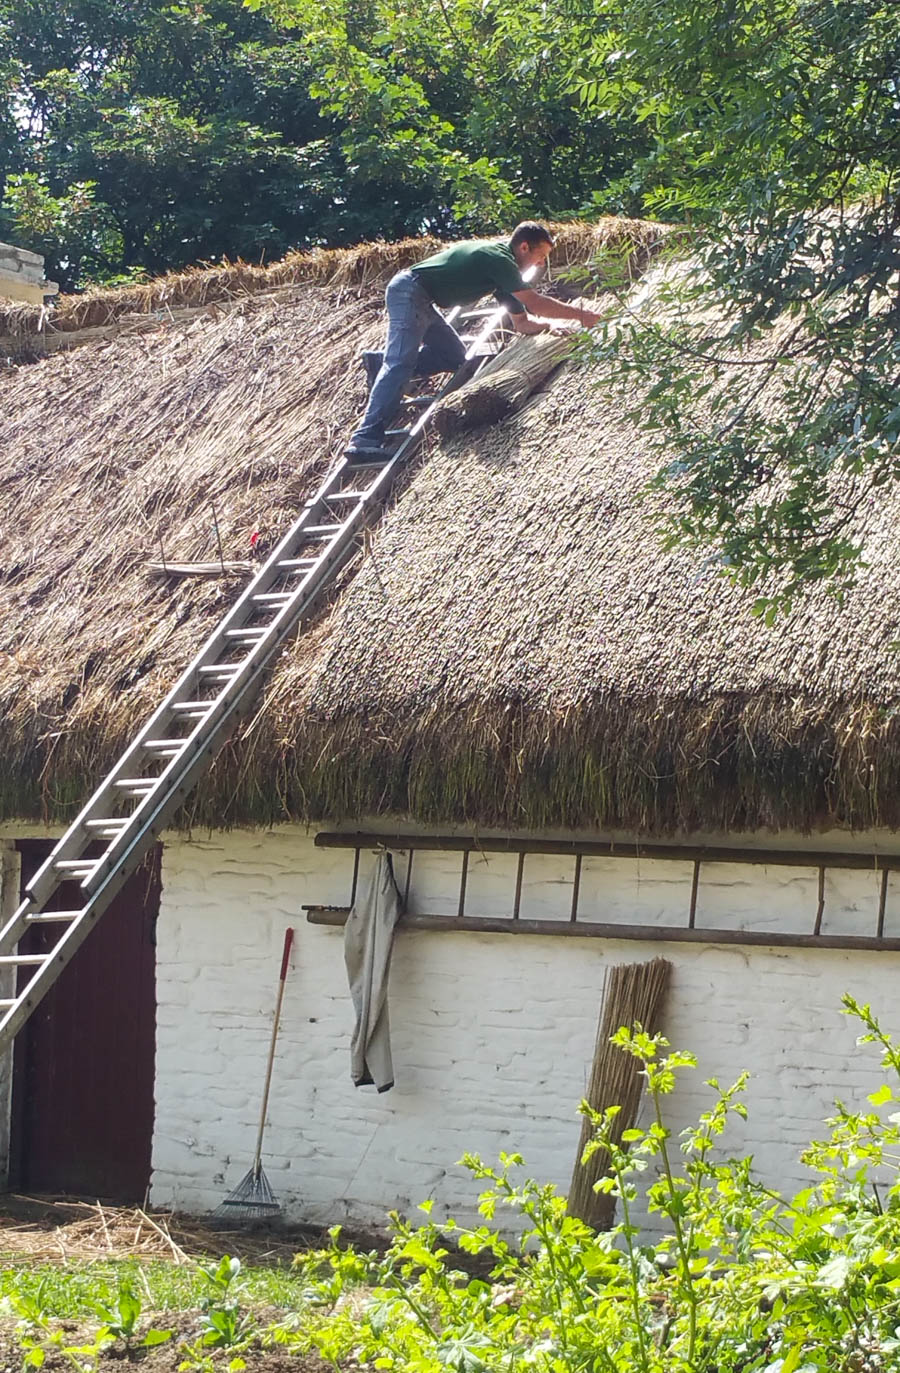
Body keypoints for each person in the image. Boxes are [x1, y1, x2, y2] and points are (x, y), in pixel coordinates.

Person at [345, 221, 603, 462]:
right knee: (400, 362)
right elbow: (534, 302)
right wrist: (581, 316)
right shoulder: (498, 258)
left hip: (422, 298)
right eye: (541, 255)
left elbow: (521, 323)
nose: (542, 262)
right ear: (524, 247)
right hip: (410, 291)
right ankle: (364, 440)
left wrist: (548, 325)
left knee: (454, 357)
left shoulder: (503, 275)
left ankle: (376, 363)